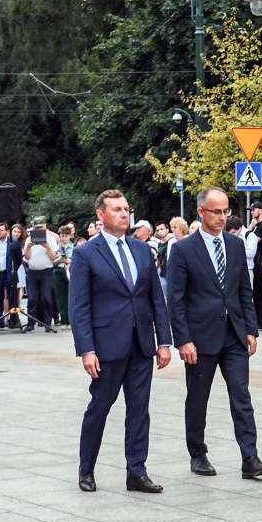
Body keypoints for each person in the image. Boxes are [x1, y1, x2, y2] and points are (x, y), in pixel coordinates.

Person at [69, 190, 171, 493]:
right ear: (101, 216)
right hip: (106, 346)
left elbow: (156, 299)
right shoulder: (86, 253)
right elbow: (79, 307)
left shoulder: (141, 251)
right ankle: (86, 468)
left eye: (126, 209)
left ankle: (136, 472)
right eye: (117, 210)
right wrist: (86, 349)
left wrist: (163, 341)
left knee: (139, 409)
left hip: (141, 344)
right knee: (99, 408)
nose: (124, 214)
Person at [167, 188, 262, 479]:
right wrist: (183, 340)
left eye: (226, 211)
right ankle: (198, 453)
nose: (223, 217)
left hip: (234, 335)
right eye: (217, 211)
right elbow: (175, 300)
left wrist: (251, 330)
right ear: (201, 212)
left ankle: (250, 458)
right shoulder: (182, 249)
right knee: (198, 397)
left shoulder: (235, 245)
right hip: (200, 338)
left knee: (241, 394)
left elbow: (243, 292)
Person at [23, 217, 58, 332]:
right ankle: (30, 323)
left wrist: (47, 247)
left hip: (46, 271)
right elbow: (27, 257)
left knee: (47, 297)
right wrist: (28, 247)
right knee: (32, 299)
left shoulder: (51, 239)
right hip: (32, 271)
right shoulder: (29, 240)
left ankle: (47, 322)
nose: (38, 229)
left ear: (45, 226)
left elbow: (53, 258)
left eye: (40, 227)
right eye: (36, 227)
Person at [226, 216, 257, 290]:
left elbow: (251, 253)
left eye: (234, 232)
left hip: (247, 269)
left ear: (240, 227)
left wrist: (236, 251)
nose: (233, 235)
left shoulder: (250, 236)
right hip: (233, 269)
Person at [53, 225, 75, 327]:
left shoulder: (74, 247)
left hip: (70, 272)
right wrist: (59, 259)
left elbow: (75, 261)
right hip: (59, 271)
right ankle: (64, 320)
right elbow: (53, 261)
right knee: (61, 298)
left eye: (66, 235)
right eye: (62, 236)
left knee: (70, 296)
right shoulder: (57, 248)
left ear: (70, 236)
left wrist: (68, 260)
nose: (64, 238)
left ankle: (70, 321)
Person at [155, 221, 175, 296]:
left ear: (167, 229)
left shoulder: (173, 241)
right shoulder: (158, 244)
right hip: (163, 274)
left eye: (161, 229)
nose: (160, 232)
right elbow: (158, 260)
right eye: (158, 230)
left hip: (173, 274)